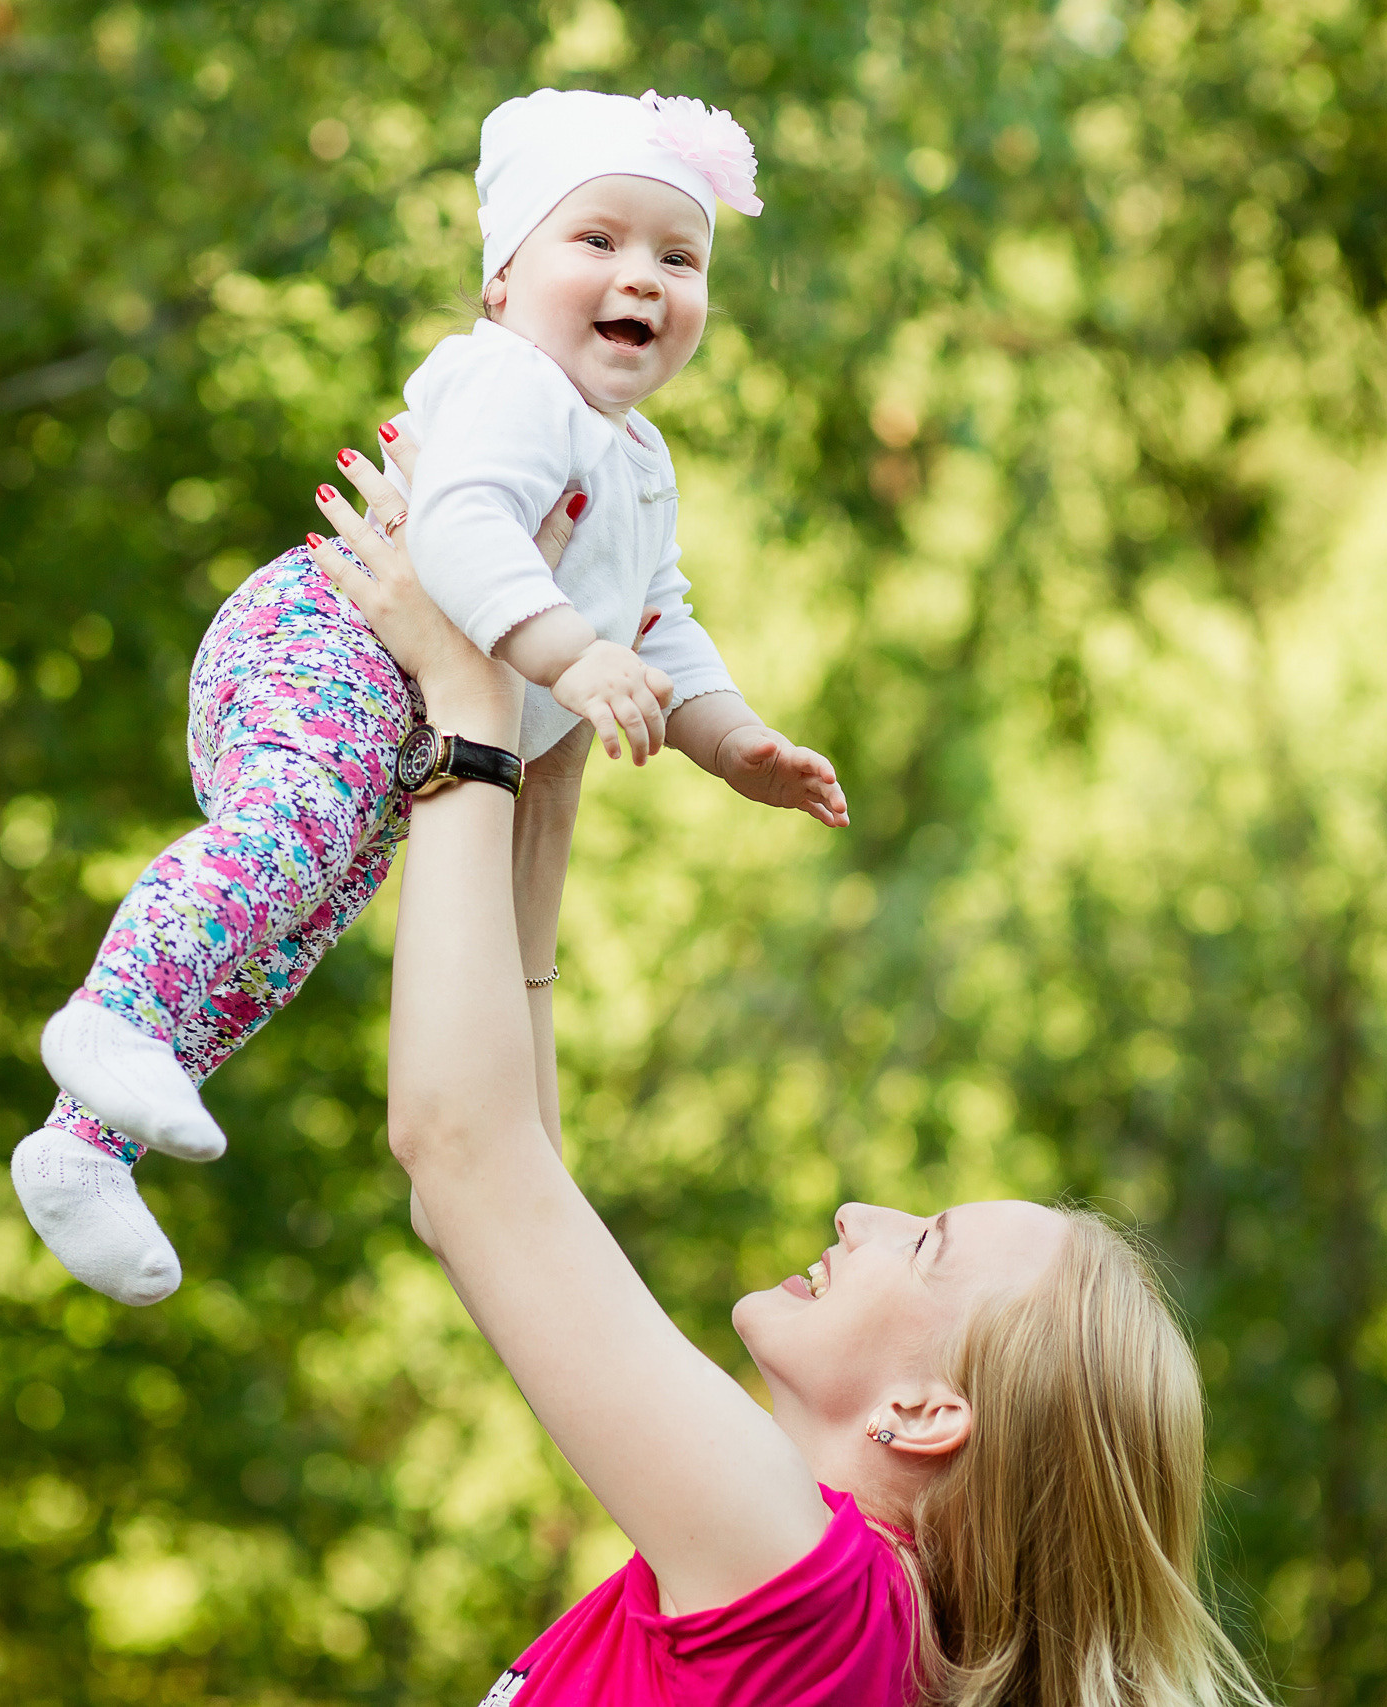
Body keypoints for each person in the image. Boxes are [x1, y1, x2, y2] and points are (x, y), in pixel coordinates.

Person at [302, 468, 1272, 1706]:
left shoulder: (816, 1597)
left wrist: (469, 705)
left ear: (926, 1414)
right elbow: (486, 1190)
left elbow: (460, 1147)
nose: (859, 1216)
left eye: (924, 1247)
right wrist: (542, 781)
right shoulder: (837, 1626)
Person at [13, 87, 846, 1305]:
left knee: (287, 931)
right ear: (502, 280)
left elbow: (661, 620)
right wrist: (566, 657)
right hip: (325, 641)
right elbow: (457, 531)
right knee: (291, 836)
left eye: (679, 256)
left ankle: (84, 1149)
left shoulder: (637, 461)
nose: (645, 277)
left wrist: (732, 743)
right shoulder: (513, 384)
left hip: (398, 726)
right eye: (598, 241)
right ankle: (116, 1010)